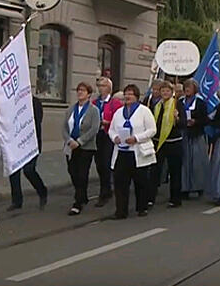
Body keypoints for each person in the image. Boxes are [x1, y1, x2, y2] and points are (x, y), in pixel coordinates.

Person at [108, 85, 157, 219]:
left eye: (130, 94)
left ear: (136, 96)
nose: (127, 96)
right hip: (122, 152)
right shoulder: (119, 112)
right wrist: (115, 138)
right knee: (120, 183)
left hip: (137, 152)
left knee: (140, 182)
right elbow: (111, 129)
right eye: (126, 94)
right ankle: (121, 210)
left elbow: (152, 130)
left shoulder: (144, 111)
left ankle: (142, 207)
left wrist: (136, 138)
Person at [62, 82, 101, 216]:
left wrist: (80, 141)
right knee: (72, 171)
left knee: (82, 173)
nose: (80, 92)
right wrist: (69, 140)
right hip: (71, 146)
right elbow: (64, 127)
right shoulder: (71, 109)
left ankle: (78, 202)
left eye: (83, 91)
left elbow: (94, 128)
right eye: (78, 90)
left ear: (89, 94)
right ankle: (82, 195)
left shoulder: (93, 110)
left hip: (86, 147)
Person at [7, 95, 48, 211]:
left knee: (29, 170)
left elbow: (36, 121)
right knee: (14, 171)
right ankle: (17, 201)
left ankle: (42, 191)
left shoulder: (34, 102)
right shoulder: (12, 102)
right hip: (16, 143)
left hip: (31, 142)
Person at [148, 81, 184, 208]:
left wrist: (177, 118)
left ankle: (175, 198)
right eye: (163, 91)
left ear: (172, 92)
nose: (165, 93)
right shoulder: (157, 105)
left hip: (173, 142)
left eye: (167, 91)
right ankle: (150, 197)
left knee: (175, 171)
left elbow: (183, 124)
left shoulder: (177, 104)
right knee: (155, 171)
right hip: (159, 142)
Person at [93, 77, 121, 207]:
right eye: (99, 86)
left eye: (103, 86)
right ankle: (106, 188)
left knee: (106, 163)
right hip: (96, 135)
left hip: (108, 135)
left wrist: (107, 122)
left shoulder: (115, 103)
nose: (100, 88)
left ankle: (105, 192)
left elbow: (118, 120)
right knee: (99, 164)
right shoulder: (95, 102)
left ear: (109, 88)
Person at [179, 79, 209, 199]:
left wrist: (195, 121)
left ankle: (198, 186)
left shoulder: (200, 102)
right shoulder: (180, 102)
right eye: (186, 87)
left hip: (196, 135)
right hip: (184, 134)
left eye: (189, 87)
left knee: (197, 162)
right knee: (184, 162)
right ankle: (184, 187)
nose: (187, 89)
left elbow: (205, 119)